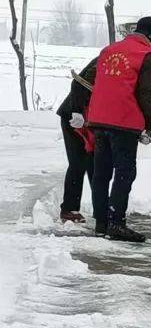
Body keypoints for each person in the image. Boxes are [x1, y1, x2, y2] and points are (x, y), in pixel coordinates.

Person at [85, 16, 151, 242]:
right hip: (124, 122)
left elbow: (95, 80)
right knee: (125, 172)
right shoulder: (148, 55)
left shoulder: (108, 50)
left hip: (99, 119)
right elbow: (144, 94)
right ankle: (116, 223)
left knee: (101, 173)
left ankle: (101, 223)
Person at [56, 57, 97, 223]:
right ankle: (69, 209)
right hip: (75, 117)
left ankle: (101, 209)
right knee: (78, 162)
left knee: (96, 163)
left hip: (95, 118)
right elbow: (78, 84)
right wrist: (76, 111)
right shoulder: (106, 60)